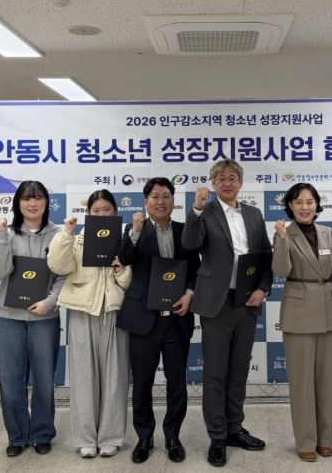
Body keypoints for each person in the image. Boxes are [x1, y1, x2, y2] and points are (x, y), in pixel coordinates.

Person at [181, 158, 273, 467]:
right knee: (215, 373)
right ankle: (217, 436)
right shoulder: (205, 212)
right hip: (216, 303)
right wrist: (196, 208)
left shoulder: (254, 214)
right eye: (221, 179)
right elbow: (189, 244)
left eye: (233, 178)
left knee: (239, 371)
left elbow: (266, 256)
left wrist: (263, 289)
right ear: (213, 183)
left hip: (247, 302)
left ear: (241, 183)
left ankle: (235, 428)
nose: (227, 183)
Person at [116, 177, 200, 464]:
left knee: (177, 382)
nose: (161, 201)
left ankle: (173, 436)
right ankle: (145, 437)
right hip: (143, 321)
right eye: (155, 196)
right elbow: (124, 259)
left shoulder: (184, 232)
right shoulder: (133, 230)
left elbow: (195, 269)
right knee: (142, 383)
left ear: (173, 201)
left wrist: (190, 293)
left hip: (177, 319)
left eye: (166, 196)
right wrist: (136, 231)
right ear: (145, 201)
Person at [47, 189, 132, 458]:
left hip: (114, 313)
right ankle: (85, 438)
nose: (102, 215)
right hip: (83, 312)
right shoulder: (77, 240)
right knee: (83, 378)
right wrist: (66, 234)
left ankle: (110, 437)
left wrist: (121, 269)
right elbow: (58, 266)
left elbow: (128, 282)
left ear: (115, 212)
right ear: (88, 214)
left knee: (114, 378)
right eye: (96, 211)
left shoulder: (125, 240)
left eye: (107, 210)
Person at [272, 182, 332, 462]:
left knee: (326, 381)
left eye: (309, 202)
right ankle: (306, 441)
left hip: (328, 310)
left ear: (317, 205)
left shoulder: (327, 232)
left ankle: (325, 439)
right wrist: (282, 238)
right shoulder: (284, 233)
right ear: (290, 206)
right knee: (302, 382)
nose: (305, 207)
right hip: (299, 311)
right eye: (298, 202)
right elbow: (281, 270)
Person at [0, 181, 65, 457]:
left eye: (38, 198)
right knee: (11, 381)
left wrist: (49, 302)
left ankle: (42, 433)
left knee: (44, 380)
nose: (32, 203)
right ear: (18, 203)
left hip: (45, 318)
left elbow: (64, 276)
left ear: (46, 202)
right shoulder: (7, 234)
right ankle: (17, 436)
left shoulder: (59, 234)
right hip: (10, 318)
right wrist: (1, 236)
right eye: (26, 198)